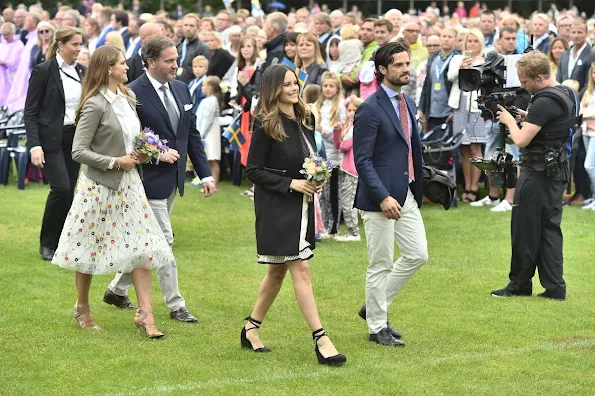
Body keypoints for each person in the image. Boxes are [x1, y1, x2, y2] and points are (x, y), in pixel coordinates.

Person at [51, 45, 169, 338]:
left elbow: (133, 138)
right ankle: (82, 308)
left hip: (130, 185)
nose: (127, 67)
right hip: (99, 187)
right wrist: (115, 161)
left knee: (142, 245)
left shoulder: (128, 98)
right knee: (89, 247)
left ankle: (146, 314)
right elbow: (78, 151)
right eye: (122, 64)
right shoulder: (94, 104)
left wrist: (146, 152)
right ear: (107, 69)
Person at [103, 36, 216, 322]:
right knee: (163, 240)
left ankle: (116, 289)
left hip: (174, 179)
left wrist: (205, 174)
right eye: (169, 60)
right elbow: (129, 138)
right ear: (150, 62)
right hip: (145, 179)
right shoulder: (131, 92)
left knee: (148, 242)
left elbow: (190, 136)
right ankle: (176, 305)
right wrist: (157, 155)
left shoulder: (181, 89)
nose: (175, 65)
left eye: (176, 59)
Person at [243, 63, 346, 366]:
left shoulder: (306, 117)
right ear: (273, 89)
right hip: (276, 206)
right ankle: (321, 339)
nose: (293, 89)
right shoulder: (264, 122)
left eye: (294, 83)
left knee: (276, 272)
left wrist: (318, 173)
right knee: (300, 269)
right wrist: (291, 183)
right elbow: (253, 170)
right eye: (286, 84)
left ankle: (251, 328)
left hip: (302, 203)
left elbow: (310, 156)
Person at [353, 42, 427, 347]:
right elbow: (363, 160)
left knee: (417, 254)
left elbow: (412, 149)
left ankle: (374, 306)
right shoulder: (369, 109)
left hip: (406, 192)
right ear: (382, 70)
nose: (406, 69)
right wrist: (382, 197)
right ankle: (376, 327)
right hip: (378, 199)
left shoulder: (407, 102)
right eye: (399, 64)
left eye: (407, 64)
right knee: (380, 263)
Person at [492, 51, 579, 301]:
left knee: (525, 228)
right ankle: (555, 288)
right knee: (550, 229)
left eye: (524, 81)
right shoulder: (565, 92)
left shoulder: (543, 101)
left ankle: (519, 284)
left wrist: (510, 121)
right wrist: (527, 118)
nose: (523, 86)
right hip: (557, 170)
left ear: (539, 77)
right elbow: (554, 124)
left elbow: (520, 140)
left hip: (538, 171)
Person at [25, 27, 85, 261]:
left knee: (70, 191)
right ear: (60, 44)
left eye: (80, 44)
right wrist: (34, 145)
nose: (78, 49)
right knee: (60, 188)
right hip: (50, 140)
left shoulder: (82, 71)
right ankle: (47, 244)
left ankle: (63, 241)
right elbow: (29, 112)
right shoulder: (43, 71)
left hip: (75, 138)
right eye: (74, 44)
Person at [448, 28, 486, 203]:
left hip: (477, 107)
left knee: (475, 147)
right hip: (460, 104)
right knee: (463, 148)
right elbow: (450, 76)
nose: (472, 44)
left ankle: (475, 187)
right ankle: (467, 184)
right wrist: (462, 66)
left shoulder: (486, 60)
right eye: (469, 41)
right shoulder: (457, 58)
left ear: (481, 43)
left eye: (475, 41)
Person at [316, 72, 345, 238]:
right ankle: (323, 225)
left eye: (331, 86)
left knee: (333, 193)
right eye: (325, 85)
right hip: (320, 153)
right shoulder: (319, 105)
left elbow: (339, 133)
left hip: (334, 156)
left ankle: (334, 227)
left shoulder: (340, 105)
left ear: (337, 88)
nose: (327, 89)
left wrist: (323, 130)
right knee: (322, 193)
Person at [418, 26, 459, 132]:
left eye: (450, 37)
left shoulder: (458, 58)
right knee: (433, 145)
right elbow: (426, 85)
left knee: (448, 146)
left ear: (455, 40)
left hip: (449, 111)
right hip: (432, 112)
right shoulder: (433, 58)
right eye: (444, 36)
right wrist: (421, 109)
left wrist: (455, 111)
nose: (446, 39)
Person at [333, 95, 362, 242]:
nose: (351, 113)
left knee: (348, 202)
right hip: (344, 167)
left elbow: (345, 146)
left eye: (354, 110)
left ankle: (354, 232)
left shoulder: (359, 127)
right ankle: (352, 231)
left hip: (353, 170)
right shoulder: (348, 126)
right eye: (349, 110)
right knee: (345, 200)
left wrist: (343, 136)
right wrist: (337, 131)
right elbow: (338, 145)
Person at [196, 76, 222, 186]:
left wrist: (200, 134)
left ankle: (215, 183)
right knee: (207, 159)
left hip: (210, 134)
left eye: (204, 85)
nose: (202, 87)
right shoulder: (206, 100)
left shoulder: (212, 101)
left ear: (210, 87)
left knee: (212, 159)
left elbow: (207, 119)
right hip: (204, 133)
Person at [556, 18, 592, 92]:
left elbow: (588, 83)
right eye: (573, 32)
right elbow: (558, 79)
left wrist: (576, 99)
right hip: (563, 98)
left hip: (581, 100)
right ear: (569, 33)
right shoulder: (564, 55)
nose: (576, 35)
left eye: (579, 32)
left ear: (586, 34)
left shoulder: (592, 55)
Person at [176, 13, 210, 84]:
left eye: (191, 26)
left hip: (192, 88)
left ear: (198, 28)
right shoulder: (178, 46)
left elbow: (205, 72)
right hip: (176, 84)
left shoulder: (203, 48)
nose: (188, 28)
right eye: (186, 25)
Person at [579, 64, 595, 210]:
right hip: (587, 132)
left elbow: (587, 113)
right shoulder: (589, 91)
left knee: (589, 166)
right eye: (594, 73)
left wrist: (588, 114)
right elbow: (581, 110)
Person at [0, 22, 25, 107]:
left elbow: (17, 61)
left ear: (12, 33)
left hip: (12, 74)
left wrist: (5, 62)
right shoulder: (2, 44)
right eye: (3, 35)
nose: (5, 37)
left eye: (7, 34)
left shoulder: (18, 45)